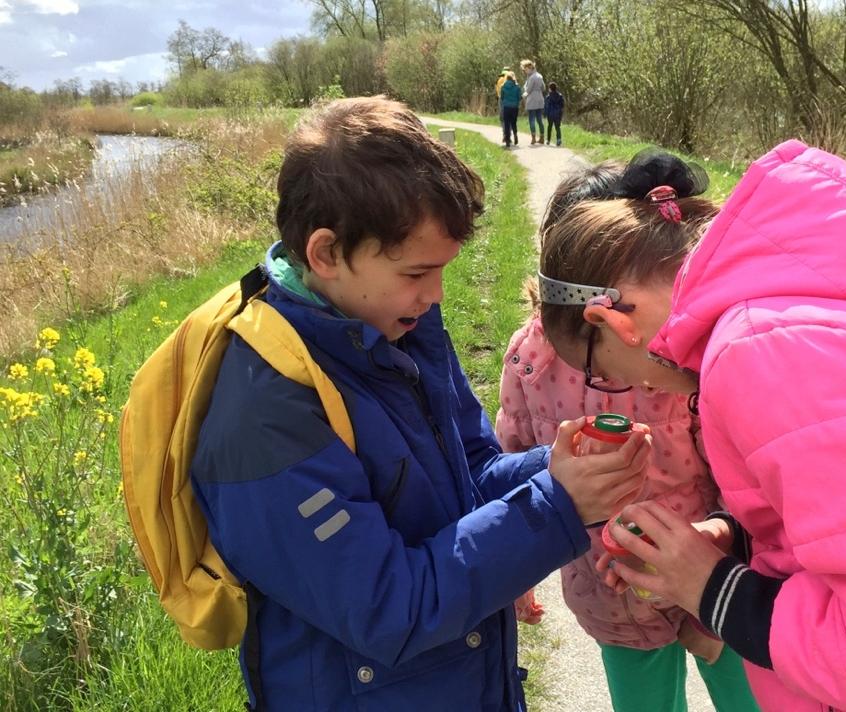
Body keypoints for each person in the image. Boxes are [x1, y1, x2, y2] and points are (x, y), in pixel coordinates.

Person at [189, 96, 653, 712]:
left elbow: (473, 474)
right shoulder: (263, 410)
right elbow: (389, 610)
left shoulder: (395, 325)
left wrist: (560, 466)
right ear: (326, 253)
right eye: (416, 273)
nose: (434, 295)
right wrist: (559, 506)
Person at [540, 142, 846, 711]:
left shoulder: (762, 353)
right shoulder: (804, 300)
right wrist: (736, 534)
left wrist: (712, 588)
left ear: (609, 320)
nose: (641, 390)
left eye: (602, 371)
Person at [498, 161, 761, 712]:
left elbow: (738, 473)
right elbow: (513, 456)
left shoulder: (671, 361)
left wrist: (721, 547)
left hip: (711, 577)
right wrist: (513, 570)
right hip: (611, 598)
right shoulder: (529, 359)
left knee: (751, 698)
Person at [520, 59, 545, 145]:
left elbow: (528, 90)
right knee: (539, 119)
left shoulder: (531, 77)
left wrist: (522, 95)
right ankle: (542, 137)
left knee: (532, 120)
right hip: (540, 99)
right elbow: (543, 88)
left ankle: (533, 138)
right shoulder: (540, 76)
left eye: (525, 69)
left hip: (532, 100)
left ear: (530, 67)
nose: (525, 71)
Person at [500, 71, 521, 149]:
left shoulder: (503, 86)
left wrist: (505, 101)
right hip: (515, 107)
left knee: (506, 123)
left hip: (506, 107)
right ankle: (515, 134)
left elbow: (502, 97)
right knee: (514, 122)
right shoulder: (517, 87)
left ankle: (508, 140)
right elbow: (519, 97)